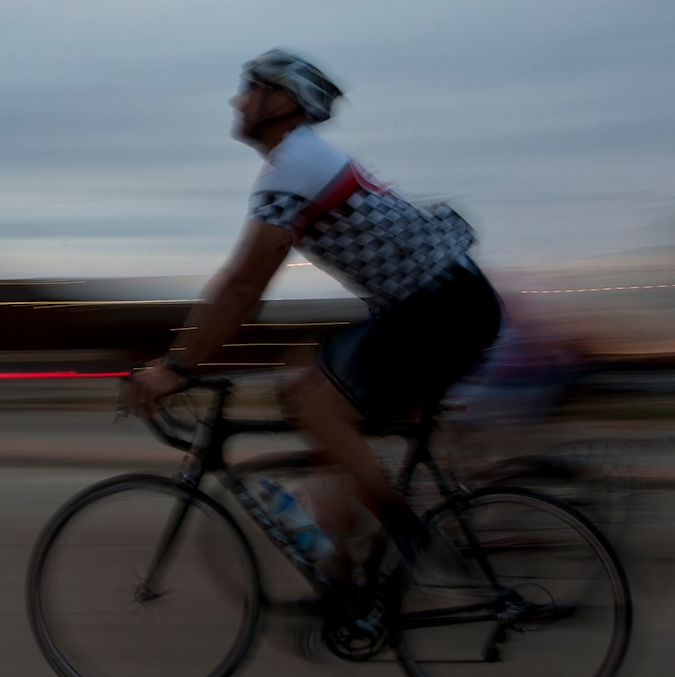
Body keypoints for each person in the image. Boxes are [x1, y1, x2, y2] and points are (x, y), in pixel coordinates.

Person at [126, 49, 502, 580]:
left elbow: (242, 287)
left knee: (318, 409)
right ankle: (342, 558)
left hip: (438, 308)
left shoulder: (295, 166)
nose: (237, 100)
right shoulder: (303, 162)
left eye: (249, 89)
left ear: (280, 100)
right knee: (302, 377)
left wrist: (177, 366)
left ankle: (409, 542)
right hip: (443, 304)